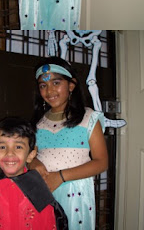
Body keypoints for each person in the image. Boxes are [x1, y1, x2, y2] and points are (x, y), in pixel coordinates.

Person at [30, 57, 108, 229]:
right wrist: (33, 162)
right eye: (43, 85)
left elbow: (101, 162)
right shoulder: (38, 123)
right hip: (44, 191)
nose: (49, 90)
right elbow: (30, 155)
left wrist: (60, 176)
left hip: (76, 196)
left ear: (71, 85)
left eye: (56, 83)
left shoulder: (88, 118)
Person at [0, 116, 68, 229]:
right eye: (2, 147)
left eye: (18, 147)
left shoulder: (38, 188)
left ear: (30, 155)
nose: (10, 153)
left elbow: (49, 224)